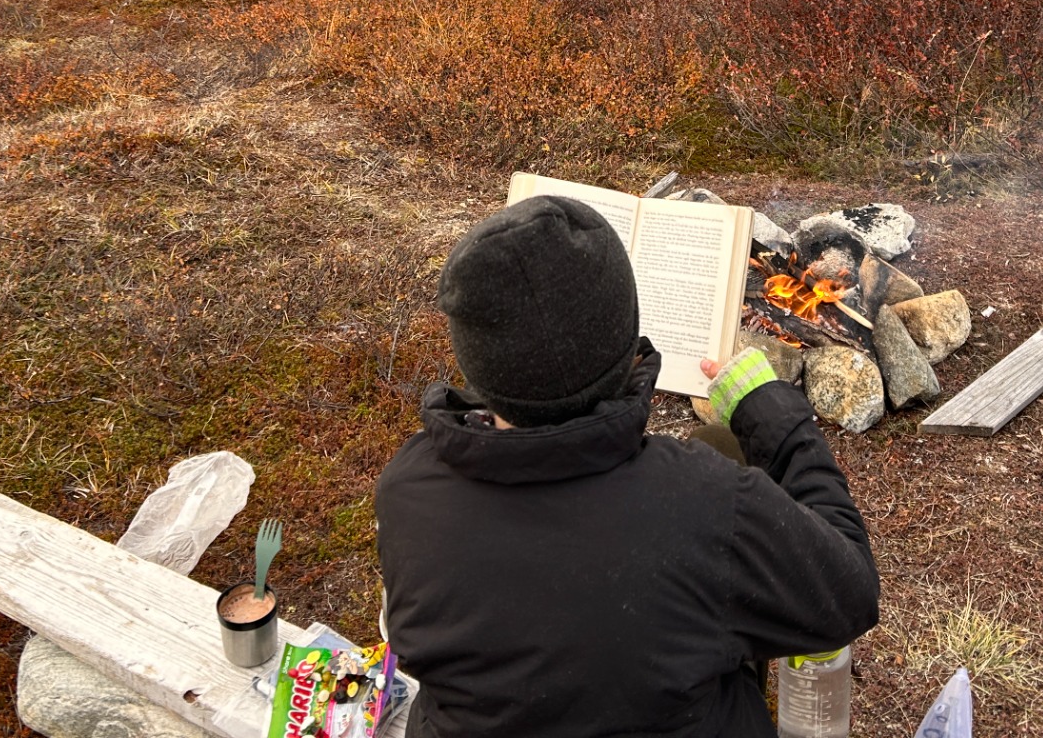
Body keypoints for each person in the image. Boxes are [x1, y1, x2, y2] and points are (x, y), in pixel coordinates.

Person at [374, 194, 880, 737]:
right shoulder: (701, 503)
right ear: (625, 341)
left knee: (715, 444)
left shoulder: (408, 491)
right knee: (719, 450)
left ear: (475, 359)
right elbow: (849, 592)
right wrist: (772, 413)